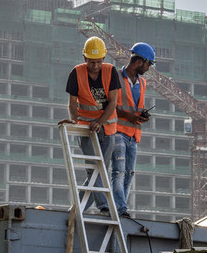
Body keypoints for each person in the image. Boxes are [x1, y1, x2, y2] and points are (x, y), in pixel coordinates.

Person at [59, 36, 120, 215]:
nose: (95, 66)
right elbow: (72, 102)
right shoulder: (76, 73)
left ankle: (77, 210)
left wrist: (100, 122)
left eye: (98, 62)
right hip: (85, 128)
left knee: (100, 171)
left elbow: (113, 102)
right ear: (85, 58)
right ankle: (104, 207)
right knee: (93, 168)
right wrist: (74, 120)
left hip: (107, 127)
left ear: (104, 58)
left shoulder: (111, 71)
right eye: (92, 62)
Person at [112, 42, 155, 218]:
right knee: (119, 171)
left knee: (129, 173)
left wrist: (142, 115)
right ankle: (120, 209)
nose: (149, 68)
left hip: (133, 135)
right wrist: (127, 115)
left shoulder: (142, 83)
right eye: (148, 64)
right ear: (139, 61)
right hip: (117, 132)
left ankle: (120, 207)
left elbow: (136, 107)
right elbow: (107, 106)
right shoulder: (115, 77)